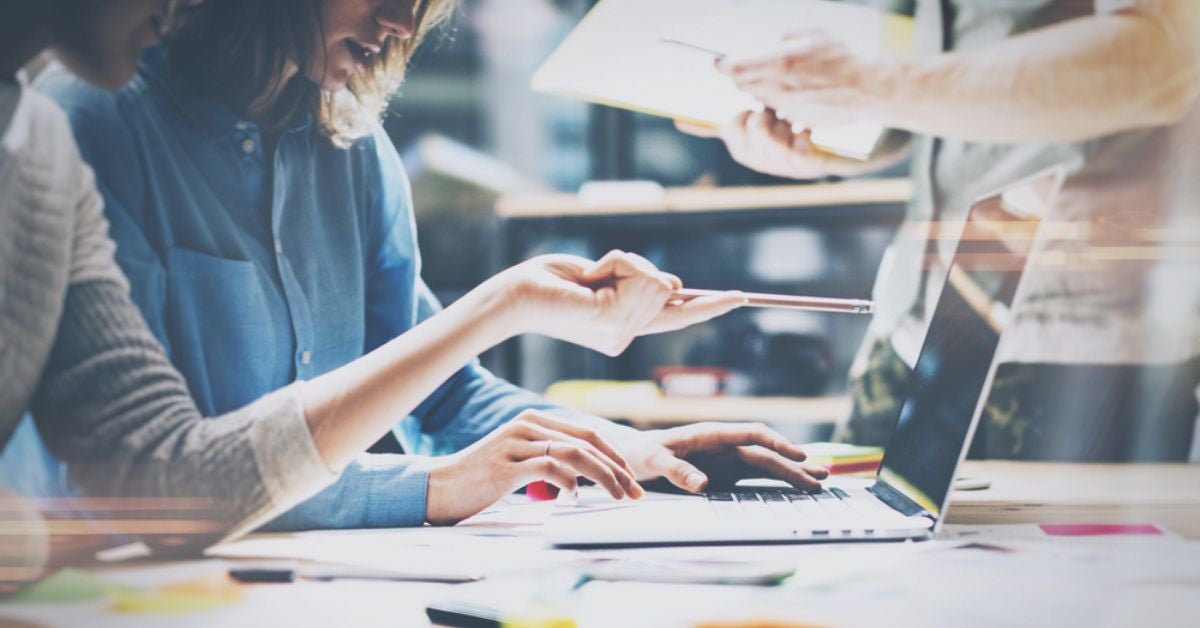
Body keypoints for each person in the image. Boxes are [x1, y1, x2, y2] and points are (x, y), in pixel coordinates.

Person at [0, 0, 807, 584]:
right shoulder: (85, 124)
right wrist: (433, 486)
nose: (399, 24)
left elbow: (444, 395)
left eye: (421, 4)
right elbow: (128, 484)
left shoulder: (350, 144)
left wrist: (630, 451)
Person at [682, 0, 1200, 461]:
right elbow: (929, 86)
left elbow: (1163, 61)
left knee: (1051, 570)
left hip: (1073, 338)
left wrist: (868, 86)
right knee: (852, 550)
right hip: (912, 317)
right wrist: (825, 141)